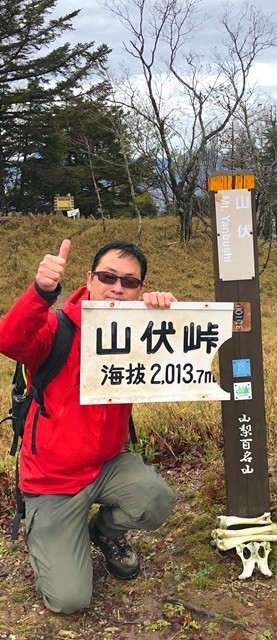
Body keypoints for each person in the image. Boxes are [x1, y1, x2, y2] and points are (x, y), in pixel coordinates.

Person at [0, 239, 177, 614]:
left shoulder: (138, 328)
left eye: (130, 282)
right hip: (52, 479)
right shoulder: (56, 327)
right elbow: (10, 339)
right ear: (89, 279)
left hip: (108, 463)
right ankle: (55, 537)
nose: (117, 287)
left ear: (140, 289)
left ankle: (103, 532)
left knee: (157, 500)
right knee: (69, 600)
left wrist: (165, 314)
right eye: (108, 276)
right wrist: (41, 292)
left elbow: (179, 360)